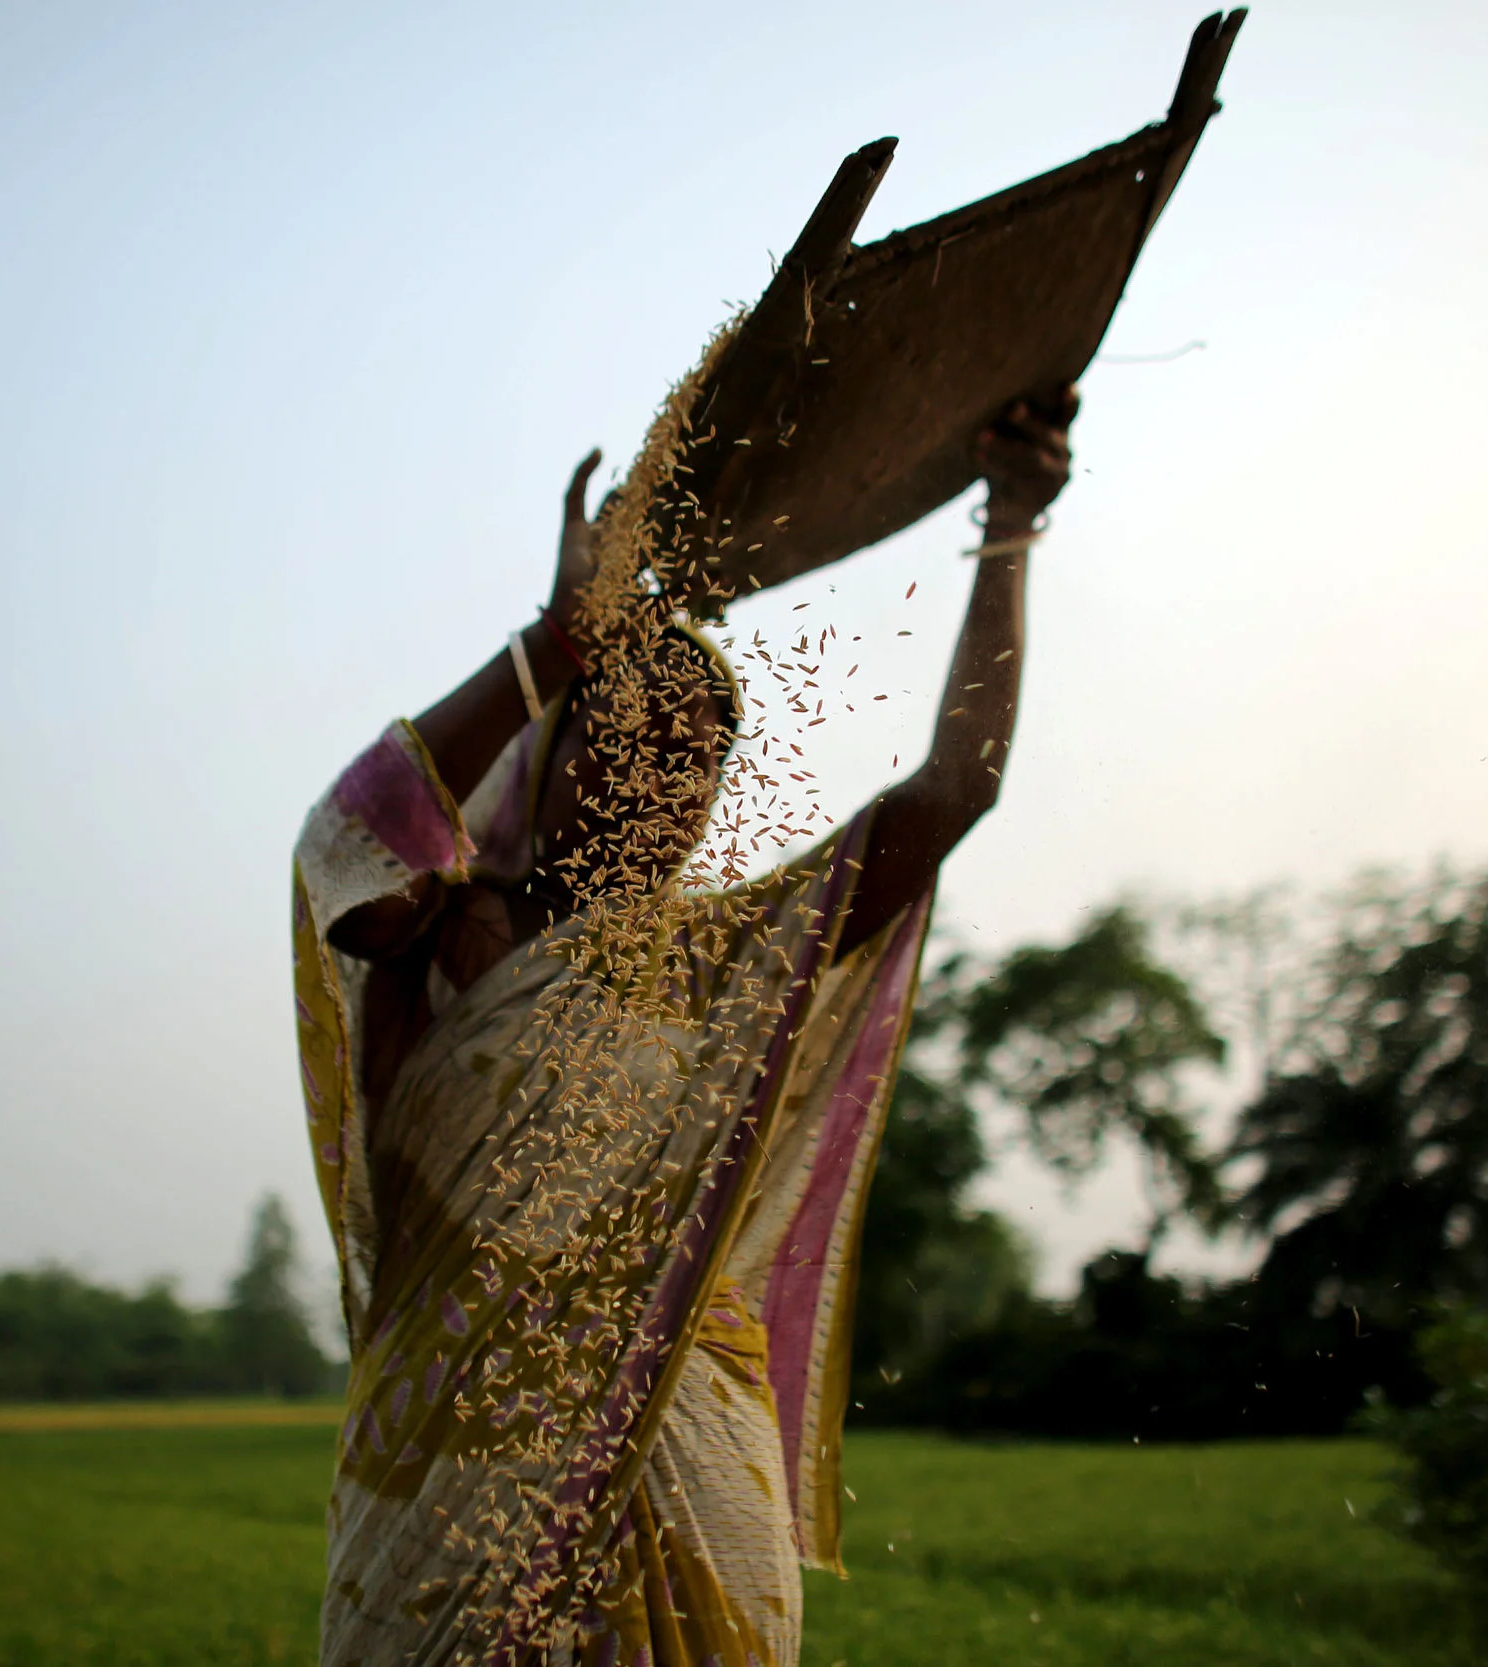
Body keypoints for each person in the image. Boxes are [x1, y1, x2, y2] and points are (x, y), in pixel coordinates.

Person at [290, 386, 1077, 1667]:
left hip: (695, 1455)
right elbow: (345, 831)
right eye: (628, 728)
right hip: (451, 1479)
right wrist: (555, 636)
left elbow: (955, 787)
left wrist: (1008, 526)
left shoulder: (727, 958)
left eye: (701, 746)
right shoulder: (428, 939)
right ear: (551, 755)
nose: (667, 765)